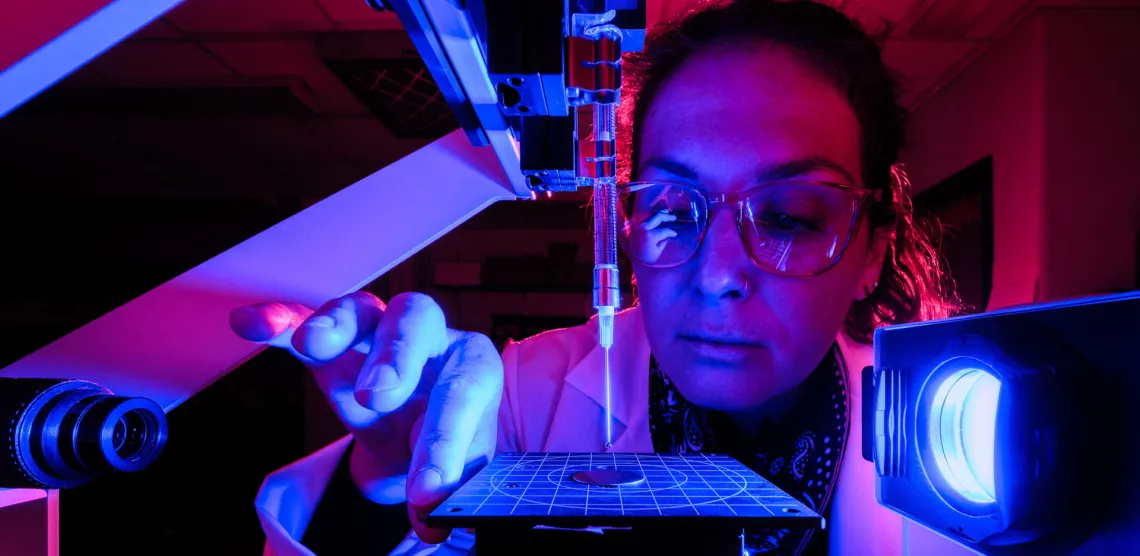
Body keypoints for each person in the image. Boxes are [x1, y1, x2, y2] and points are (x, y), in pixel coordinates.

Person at [232, 1, 961, 554]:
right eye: (674, 211)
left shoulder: (958, 457)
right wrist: (386, 474)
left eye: (791, 217)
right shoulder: (519, 402)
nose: (716, 276)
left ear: (871, 252)